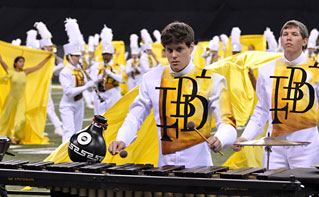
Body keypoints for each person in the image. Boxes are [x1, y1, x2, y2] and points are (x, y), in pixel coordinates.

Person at [232, 20, 319, 197]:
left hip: (306, 147)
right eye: (285, 34)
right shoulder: (265, 71)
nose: (288, 37)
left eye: (294, 34)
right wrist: (245, 137)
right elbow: (261, 110)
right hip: (274, 148)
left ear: (304, 41)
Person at [109, 21, 237, 168]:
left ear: (191, 47)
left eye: (179, 49)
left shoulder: (213, 80)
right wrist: (122, 138)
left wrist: (220, 138)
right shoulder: (151, 78)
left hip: (200, 169)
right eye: (169, 50)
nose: (174, 55)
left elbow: (228, 124)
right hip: (164, 169)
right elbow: (135, 115)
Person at [59, 18, 96, 142]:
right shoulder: (65, 72)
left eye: (79, 56)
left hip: (79, 103)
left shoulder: (79, 69)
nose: (78, 58)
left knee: (78, 131)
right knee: (69, 132)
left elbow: (87, 86)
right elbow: (69, 92)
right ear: (69, 56)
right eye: (75, 56)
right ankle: (63, 158)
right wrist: (86, 87)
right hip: (68, 105)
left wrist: (91, 84)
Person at [0, 54, 51, 144]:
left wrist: (47, 58)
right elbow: (2, 61)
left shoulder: (25, 72)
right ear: (15, 63)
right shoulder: (11, 72)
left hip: (21, 99)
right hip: (11, 98)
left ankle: (15, 136)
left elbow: (38, 66)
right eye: (20, 61)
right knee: (6, 118)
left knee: (21, 119)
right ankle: (7, 136)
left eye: (23, 61)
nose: (22, 63)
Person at [35, 21, 64, 136]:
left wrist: (61, 63)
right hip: (38, 85)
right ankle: (57, 126)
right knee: (47, 106)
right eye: (49, 47)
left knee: (45, 106)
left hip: (47, 84)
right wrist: (62, 64)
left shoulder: (50, 57)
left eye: (51, 46)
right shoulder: (39, 57)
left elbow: (55, 72)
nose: (51, 48)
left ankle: (38, 130)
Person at [90, 25, 123, 115]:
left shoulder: (118, 66)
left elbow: (123, 80)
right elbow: (91, 82)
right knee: (99, 118)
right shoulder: (96, 66)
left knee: (113, 116)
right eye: (104, 54)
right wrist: (99, 78)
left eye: (108, 54)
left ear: (112, 55)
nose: (106, 57)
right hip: (100, 94)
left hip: (113, 94)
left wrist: (110, 73)